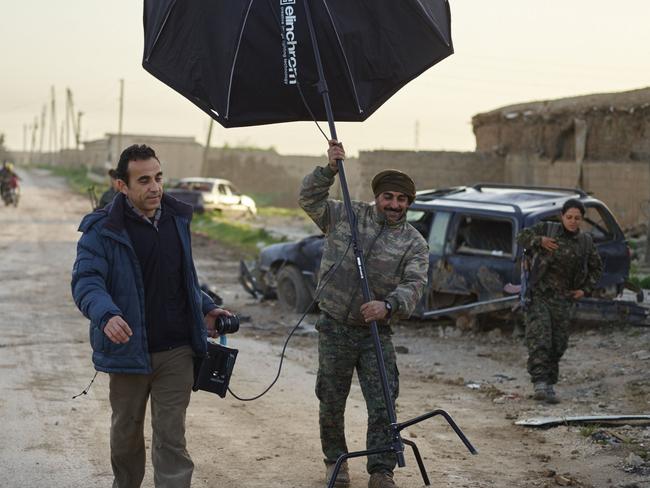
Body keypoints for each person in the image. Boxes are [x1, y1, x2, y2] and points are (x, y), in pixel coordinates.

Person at [71, 144, 232, 488]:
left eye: (158, 177)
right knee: (126, 437)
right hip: (128, 350)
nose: (155, 187)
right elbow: (86, 282)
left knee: (171, 437)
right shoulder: (102, 230)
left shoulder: (176, 219)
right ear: (122, 186)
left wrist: (206, 308)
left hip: (176, 351)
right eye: (143, 179)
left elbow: (182, 278)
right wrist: (106, 314)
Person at [299, 140, 429, 488]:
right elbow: (309, 199)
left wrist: (388, 305)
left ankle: (381, 470)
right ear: (378, 197)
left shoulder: (414, 243)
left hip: (376, 332)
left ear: (408, 204)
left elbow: (415, 284)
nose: (395, 204)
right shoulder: (348, 216)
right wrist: (329, 168)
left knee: (384, 399)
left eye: (402, 200)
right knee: (330, 398)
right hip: (335, 327)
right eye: (389, 197)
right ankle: (336, 463)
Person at [516, 199, 602, 404]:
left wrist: (585, 289)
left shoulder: (585, 242)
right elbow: (520, 237)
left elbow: (596, 268)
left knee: (558, 344)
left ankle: (550, 384)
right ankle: (540, 383)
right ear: (562, 216)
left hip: (564, 300)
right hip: (539, 296)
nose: (572, 221)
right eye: (569, 217)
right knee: (540, 339)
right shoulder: (548, 229)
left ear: (582, 220)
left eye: (577, 218)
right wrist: (540, 241)